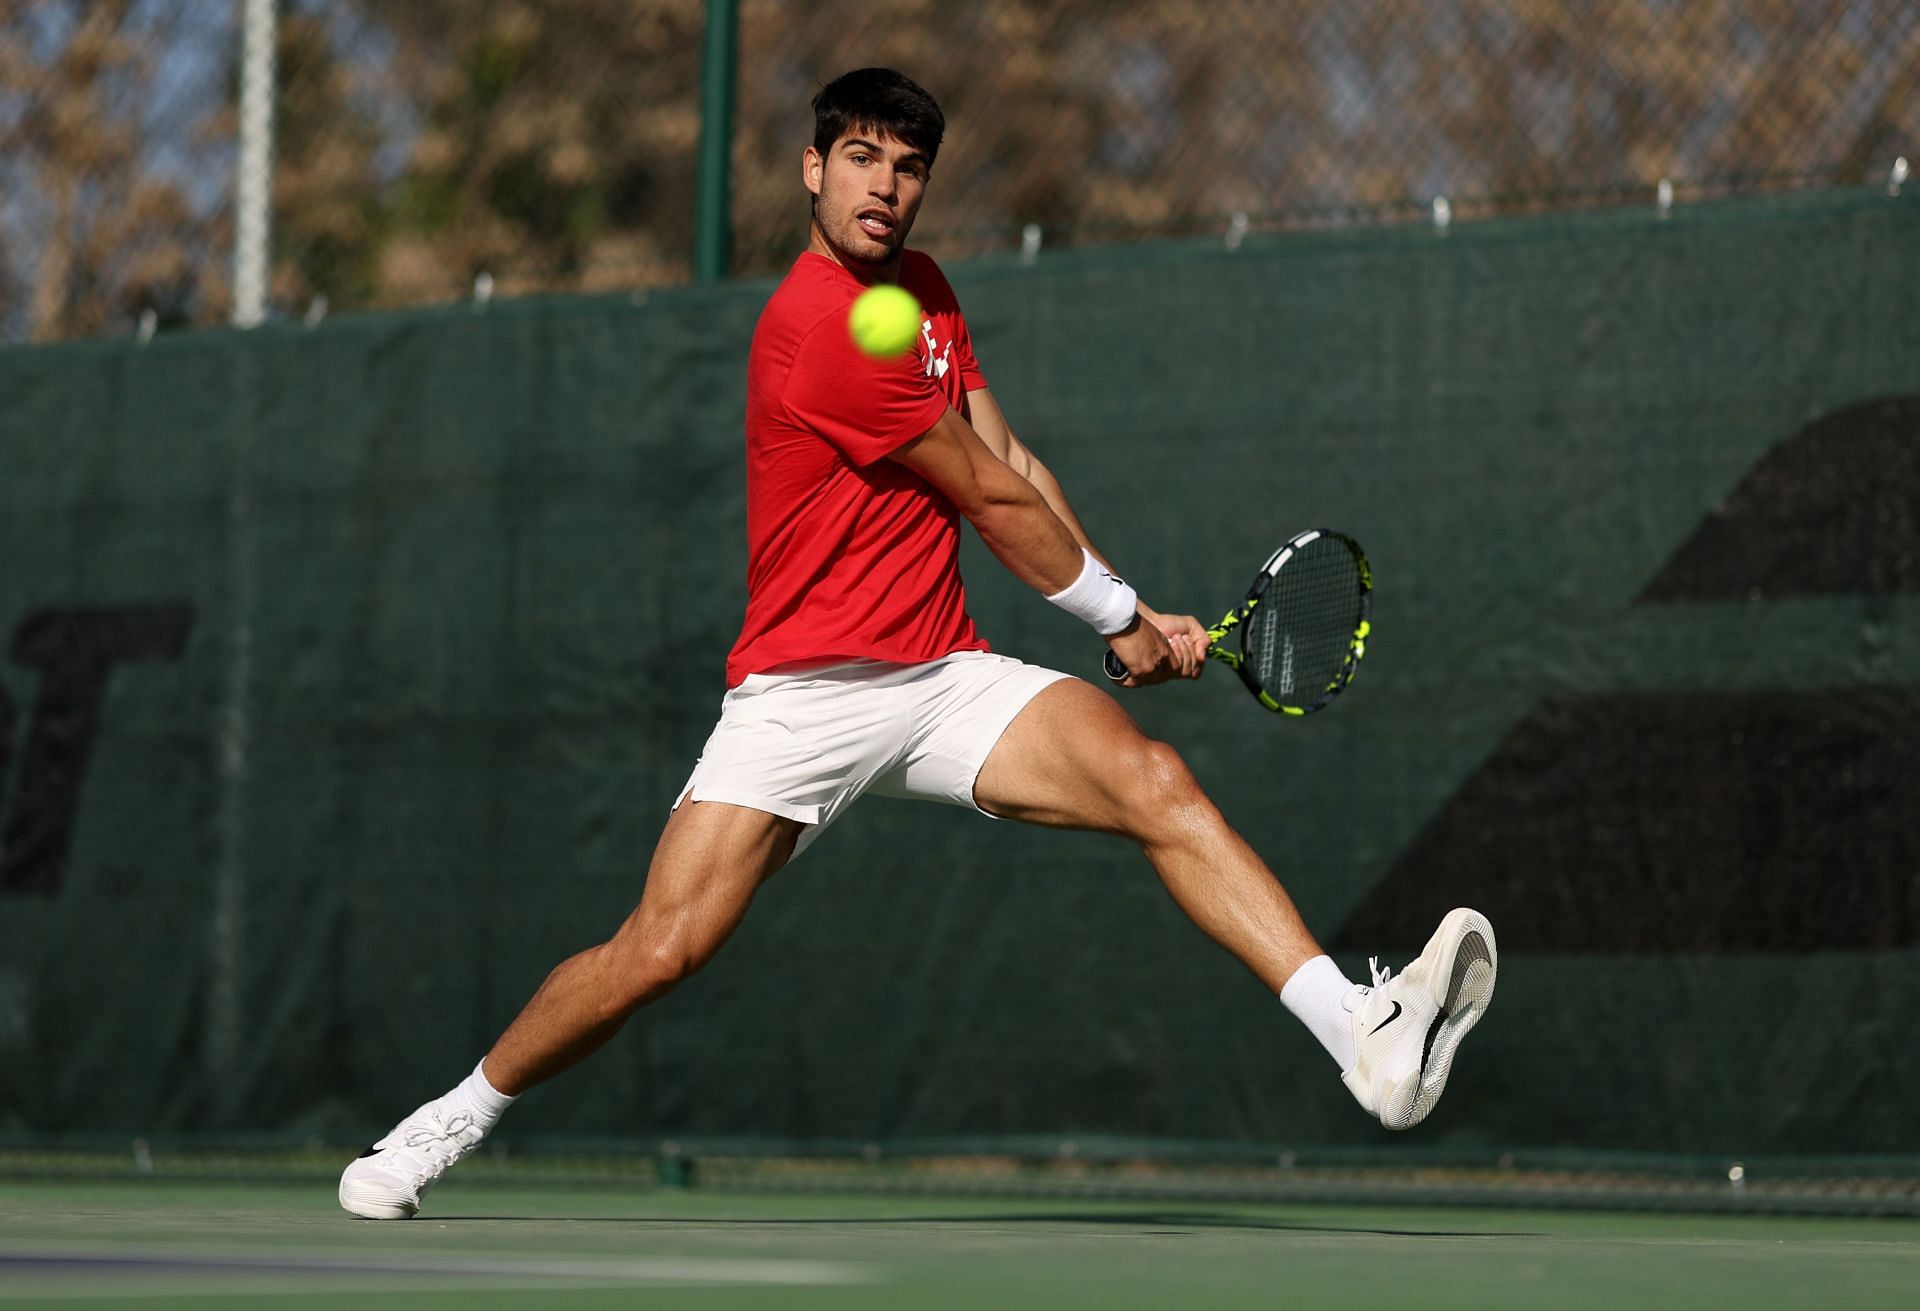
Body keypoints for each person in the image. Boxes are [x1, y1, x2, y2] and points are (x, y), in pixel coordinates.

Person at [338, 67, 1496, 1221]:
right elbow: (988, 500)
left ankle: (1363, 1035)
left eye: (908, 167)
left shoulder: (929, 293)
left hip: (943, 679)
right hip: (802, 695)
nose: (884, 187)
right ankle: (445, 1122)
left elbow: (1018, 461)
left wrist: (1137, 615)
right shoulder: (820, 331)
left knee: (1154, 782)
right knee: (660, 948)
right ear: (813, 168)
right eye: (860, 160)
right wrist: (1119, 620)